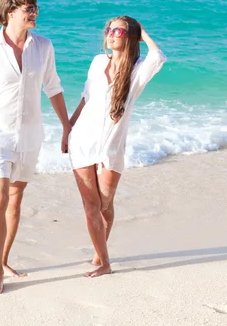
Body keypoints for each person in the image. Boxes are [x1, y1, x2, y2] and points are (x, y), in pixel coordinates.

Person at [0, 0, 70, 294]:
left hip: (30, 135)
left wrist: (67, 127)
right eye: (28, 8)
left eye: (35, 6)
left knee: (16, 200)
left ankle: (4, 259)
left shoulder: (44, 46)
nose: (34, 12)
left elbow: (53, 88)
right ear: (10, 12)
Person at [68, 16, 166, 277]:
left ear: (129, 36)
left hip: (111, 149)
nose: (110, 34)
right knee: (90, 205)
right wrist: (68, 129)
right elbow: (85, 98)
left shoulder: (137, 70)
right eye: (108, 29)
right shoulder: (98, 62)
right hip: (82, 141)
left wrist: (141, 32)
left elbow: (158, 56)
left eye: (118, 31)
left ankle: (100, 250)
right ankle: (105, 261)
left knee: (105, 206)